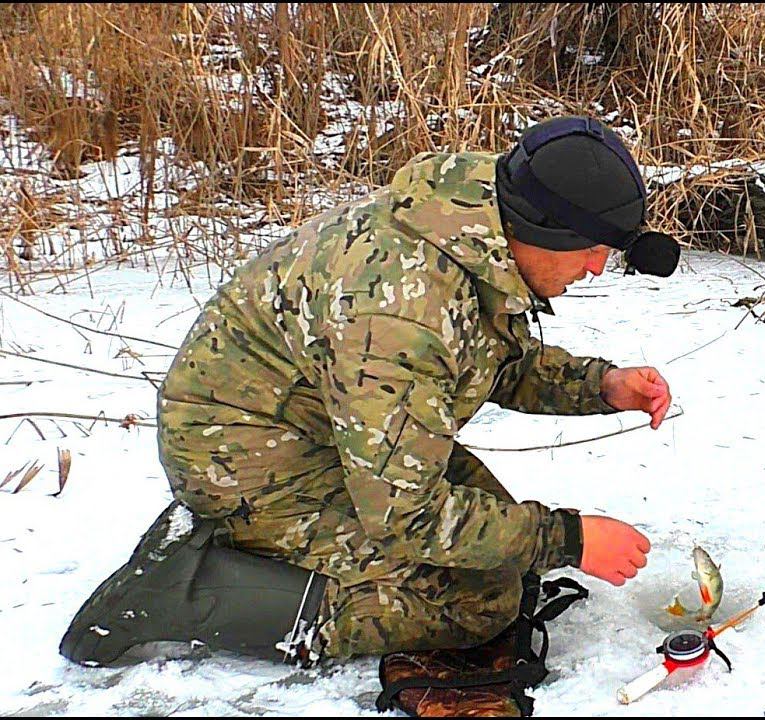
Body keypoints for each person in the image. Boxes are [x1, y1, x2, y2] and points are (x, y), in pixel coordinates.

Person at [58, 116, 682, 713]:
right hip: (244, 460)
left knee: (497, 544)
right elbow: (405, 518)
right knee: (482, 600)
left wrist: (599, 385)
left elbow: (488, 358)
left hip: (316, 428)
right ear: (538, 226)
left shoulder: (466, 229)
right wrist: (570, 539)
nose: (597, 267)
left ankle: (257, 542)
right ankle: (183, 595)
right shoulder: (400, 313)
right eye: (590, 248)